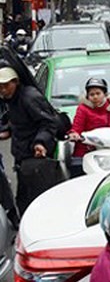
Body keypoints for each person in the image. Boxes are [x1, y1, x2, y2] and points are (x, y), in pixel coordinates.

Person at [0, 65, 59, 215]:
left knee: (39, 201)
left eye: (6, 86)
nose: (3, 90)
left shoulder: (29, 98)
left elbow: (49, 122)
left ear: (15, 82)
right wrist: (7, 130)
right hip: (22, 158)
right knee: (23, 199)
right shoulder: (11, 100)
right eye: (0, 87)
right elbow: (19, 123)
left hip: (35, 157)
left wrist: (41, 142)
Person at [68, 78, 110, 178]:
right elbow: (77, 128)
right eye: (92, 94)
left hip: (108, 150)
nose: (95, 97)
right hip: (85, 150)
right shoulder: (82, 109)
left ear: (105, 94)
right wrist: (75, 134)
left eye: (98, 93)